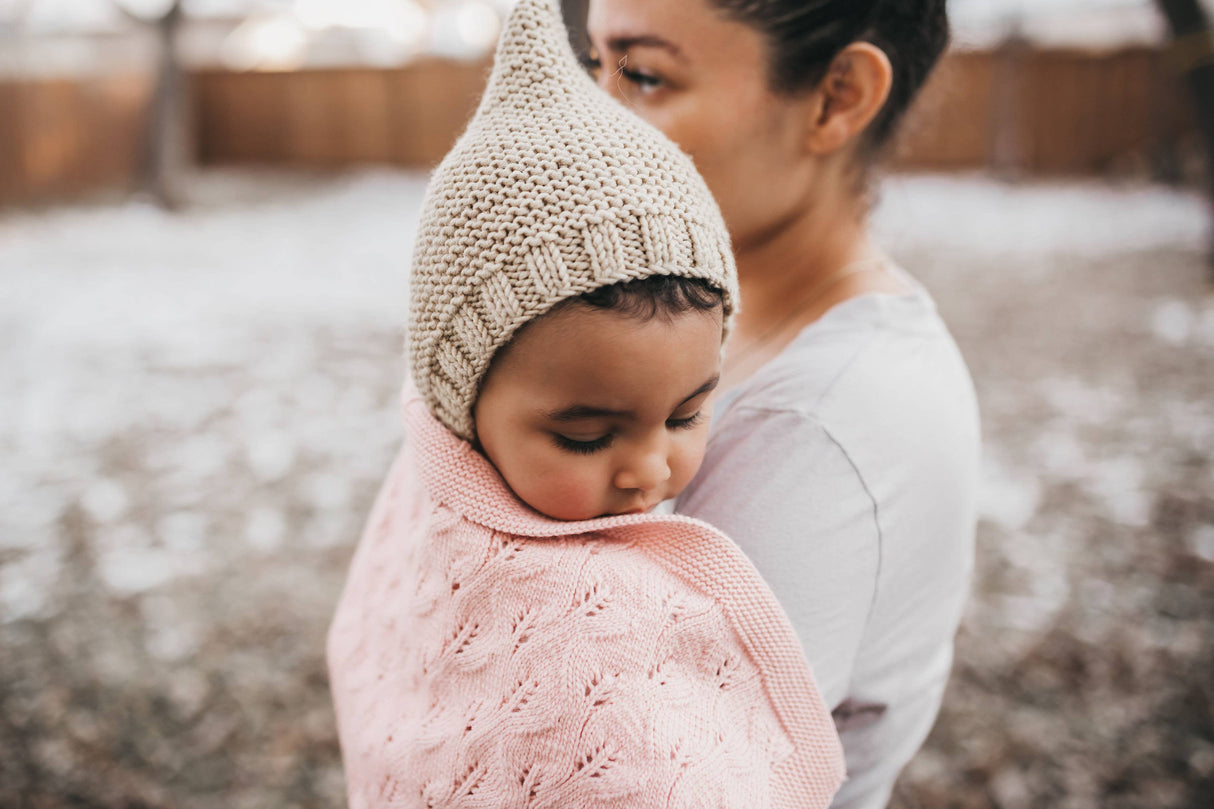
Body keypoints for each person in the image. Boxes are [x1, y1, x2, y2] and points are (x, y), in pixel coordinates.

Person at [326, 1, 845, 805]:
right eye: (586, 434)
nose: (649, 469)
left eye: (685, 414)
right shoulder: (558, 620)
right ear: (461, 403)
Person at [576, 1, 981, 807]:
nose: (592, 126)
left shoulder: (808, 427)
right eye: (595, 67)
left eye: (646, 76)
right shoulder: (701, 317)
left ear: (838, 97)